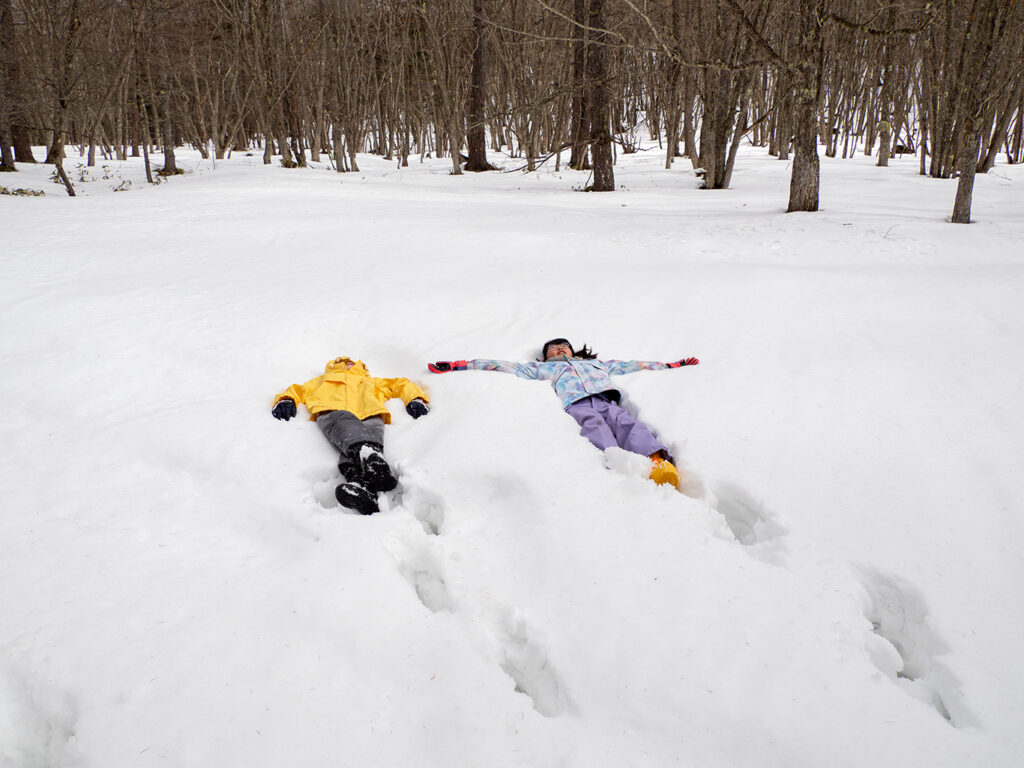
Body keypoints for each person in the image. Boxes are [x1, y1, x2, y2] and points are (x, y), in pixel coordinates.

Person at [428, 338, 698, 489]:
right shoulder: (544, 368)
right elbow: (504, 366)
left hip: (606, 399)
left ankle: (656, 462)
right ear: (545, 357)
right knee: (595, 428)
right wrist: (460, 365)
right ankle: (617, 466)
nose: (559, 349)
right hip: (578, 404)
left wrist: (671, 365)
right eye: (553, 348)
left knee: (627, 424)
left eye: (563, 346)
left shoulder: (596, 364)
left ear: (573, 350)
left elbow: (631, 365)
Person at [272, 356, 430, 514]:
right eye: (342, 361)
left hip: (370, 414)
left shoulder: (371, 381)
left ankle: (362, 485)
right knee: (350, 431)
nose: (348, 362)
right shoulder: (323, 380)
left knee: (365, 440)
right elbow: (299, 390)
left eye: (351, 362)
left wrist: (414, 399)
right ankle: (373, 461)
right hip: (333, 412)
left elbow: (400, 385)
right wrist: (287, 399)